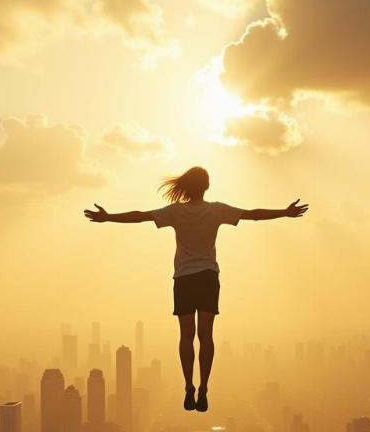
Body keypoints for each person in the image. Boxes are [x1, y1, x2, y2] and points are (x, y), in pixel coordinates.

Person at [84, 166, 308, 412]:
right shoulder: (216, 210)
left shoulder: (176, 212)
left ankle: (188, 386)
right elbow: (252, 214)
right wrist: (284, 213)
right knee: (206, 336)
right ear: (207, 186)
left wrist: (109, 217)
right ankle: (204, 388)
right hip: (208, 277)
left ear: (185, 187)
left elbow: (140, 216)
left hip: (184, 279)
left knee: (186, 336)